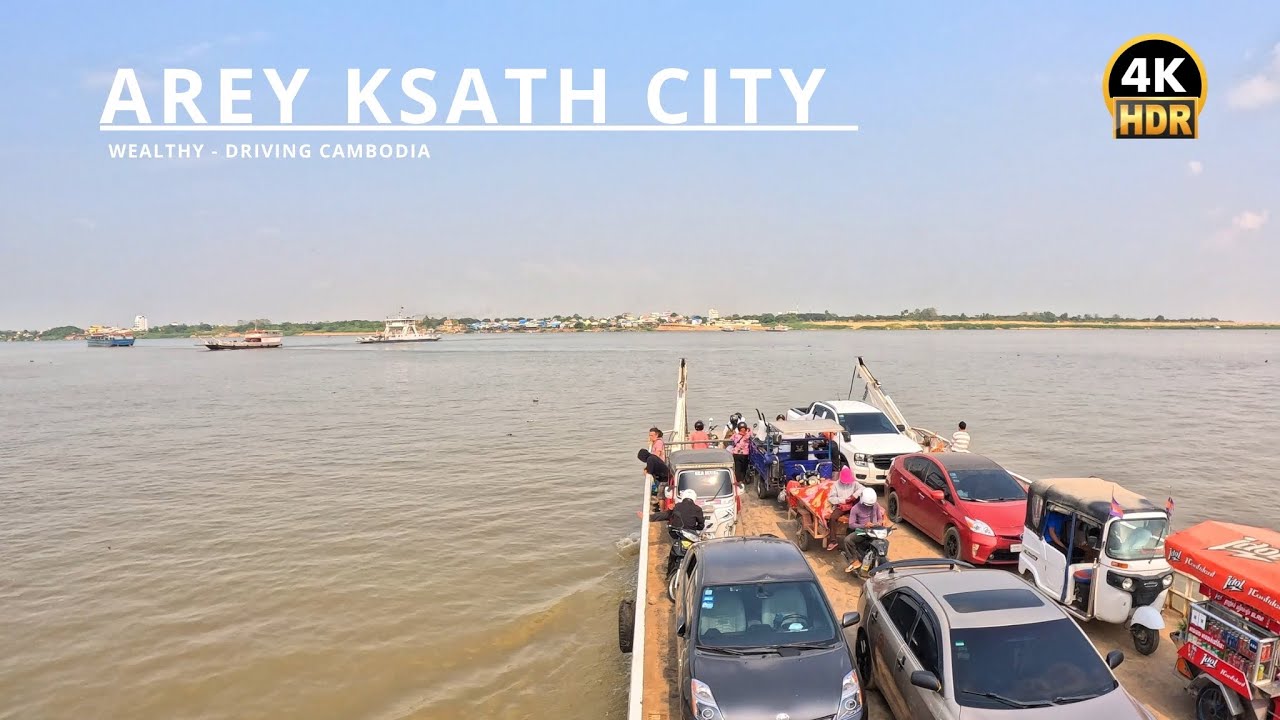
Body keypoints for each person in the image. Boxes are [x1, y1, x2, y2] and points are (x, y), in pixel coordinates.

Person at [843, 487, 890, 573]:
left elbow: (880, 519)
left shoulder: (875, 505)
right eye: (866, 505)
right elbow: (851, 524)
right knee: (848, 540)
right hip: (862, 531)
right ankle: (854, 560)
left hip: (875, 531)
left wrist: (878, 524)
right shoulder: (855, 508)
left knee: (883, 544)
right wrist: (864, 525)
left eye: (870, 505)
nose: (869, 507)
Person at [824, 466, 862, 550]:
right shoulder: (836, 485)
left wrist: (854, 496)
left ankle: (859, 537)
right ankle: (833, 541)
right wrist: (843, 500)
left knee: (860, 517)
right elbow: (831, 498)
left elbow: (863, 489)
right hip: (841, 506)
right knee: (833, 518)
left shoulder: (854, 483)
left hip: (852, 505)